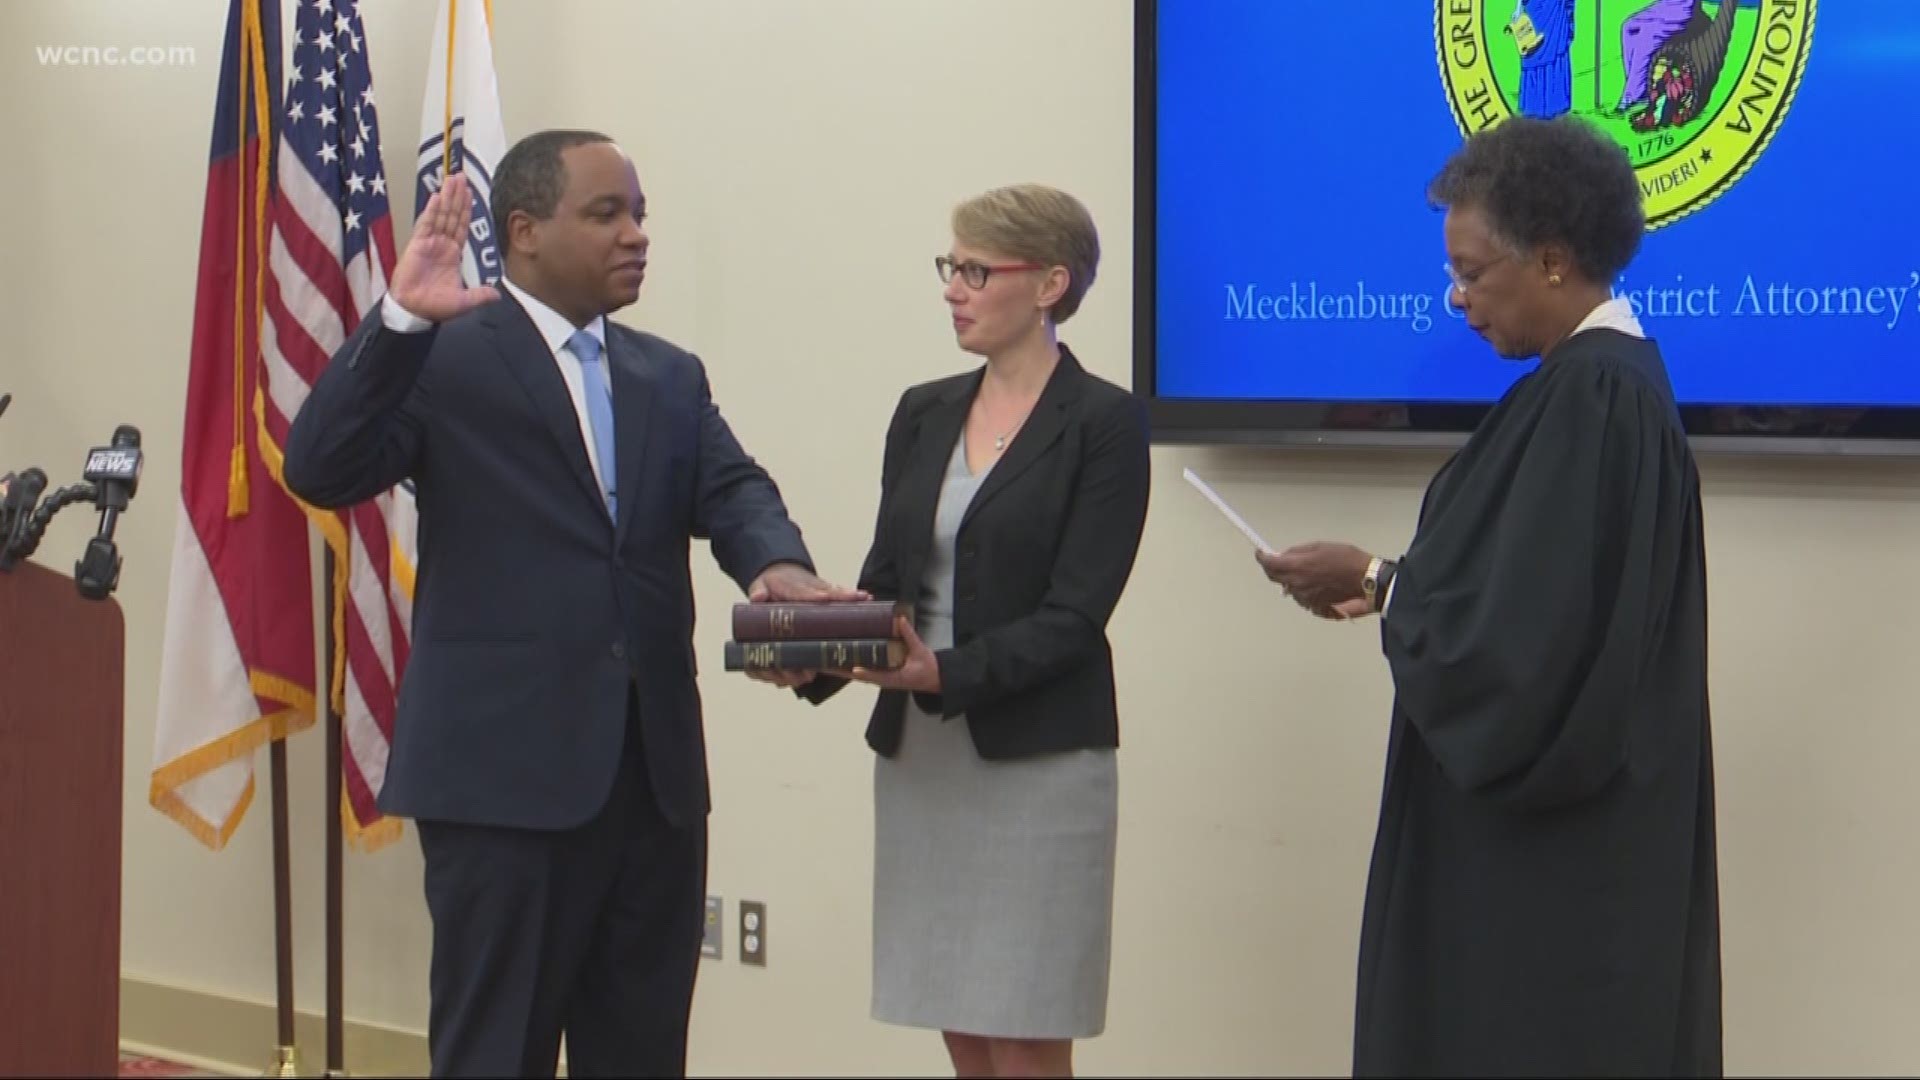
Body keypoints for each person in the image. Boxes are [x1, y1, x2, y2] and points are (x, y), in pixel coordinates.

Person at [281, 129, 859, 1079]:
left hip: (654, 785)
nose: (636, 234)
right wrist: (396, 321)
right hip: (500, 787)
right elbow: (320, 466)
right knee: (494, 1056)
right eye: (607, 214)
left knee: (639, 1056)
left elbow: (735, 490)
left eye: (640, 215)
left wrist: (780, 569)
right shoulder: (443, 356)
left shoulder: (668, 374)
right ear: (524, 231)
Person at [1257, 114, 1722, 1077]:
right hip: (1565, 843)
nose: (1459, 298)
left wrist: (1384, 583)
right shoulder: (1591, 389)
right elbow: (1530, 594)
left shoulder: (1597, 398)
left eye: (1473, 272)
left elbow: (1530, 646)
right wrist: (1400, 592)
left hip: (1549, 863)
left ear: (1552, 259)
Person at [780, 184, 1150, 1078]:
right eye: (951, 268)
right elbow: (887, 583)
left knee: (1023, 1031)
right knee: (962, 1024)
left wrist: (940, 673)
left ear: (1052, 284)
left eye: (977, 270)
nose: (954, 288)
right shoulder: (923, 409)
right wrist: (813, 657)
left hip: (1039, 760)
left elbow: (1075, 617)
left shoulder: (1104, 422)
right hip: (922, 761)